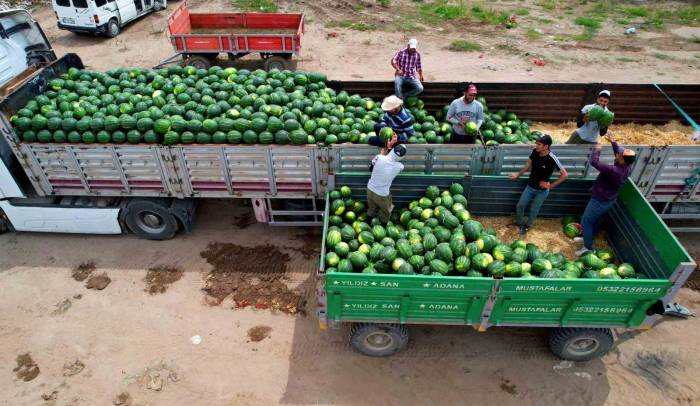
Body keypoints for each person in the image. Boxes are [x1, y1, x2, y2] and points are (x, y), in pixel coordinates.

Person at [575, 135, 636, 257]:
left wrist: (597, 150)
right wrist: (614, 142)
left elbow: (594, 162)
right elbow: (618, 153)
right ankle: (587, 237)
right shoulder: (626, 166)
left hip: (600, 200)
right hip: (607, 199)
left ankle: (588, 248)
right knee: (593, 221)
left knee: (586, 221)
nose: (616, 155)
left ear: (622, 160)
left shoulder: (615, 170)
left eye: (619, 155)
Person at [509, 134, 568, 234]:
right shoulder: (535, 152)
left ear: (546, 146)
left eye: (539, 144)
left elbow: (565, 175)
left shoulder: (552, 158)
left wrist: (550, 186)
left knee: (534, 209)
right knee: (520, 205)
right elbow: (528, 164)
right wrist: (518, 175)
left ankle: (528, 225)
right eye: (536, 143)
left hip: (542, 191)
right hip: (530, 186)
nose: (536, 145)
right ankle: (519, 222)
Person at [366, 136, 407, 224]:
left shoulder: (379, 157)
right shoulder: (400, 166)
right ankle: (384, 227)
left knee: (372, 208)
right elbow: (392, 162)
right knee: (386, 212)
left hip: (370, 189)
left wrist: (384, 153)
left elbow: (371, 169)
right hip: (382, 194)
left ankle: (367, 224)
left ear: (392, 150)